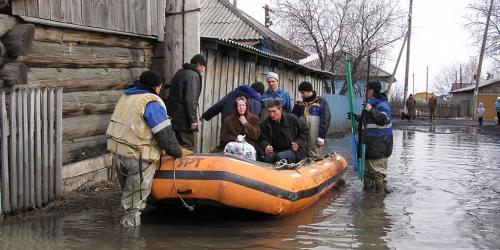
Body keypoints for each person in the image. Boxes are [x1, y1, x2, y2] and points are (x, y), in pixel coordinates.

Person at [106, 70, 192, 227]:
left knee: (129, 197)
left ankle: (129, 229)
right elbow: (164, 133)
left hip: (119, 154)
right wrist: (177, 152)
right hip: (138, 158)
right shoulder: (151, 102)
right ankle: (131, 241)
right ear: (156, 87)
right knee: (134, 206)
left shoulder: (126, 97)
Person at [349, 81, 393, 194]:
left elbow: (383, 120)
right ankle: (368, 201)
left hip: (379, 146)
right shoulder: (371, 104)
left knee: (377, 173)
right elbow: (369, 121)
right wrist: (357, 118)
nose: (365, 92)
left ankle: (379, 202)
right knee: (367, 174)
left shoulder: (382, 105)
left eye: (366, 89)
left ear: (372, 91)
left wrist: (371, 110)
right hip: (369, 145)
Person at [162, 54, 206, 151]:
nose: (203, 70)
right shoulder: (193, 75)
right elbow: (190, 100)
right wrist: (193, 120)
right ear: (198, 65)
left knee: (176, 147)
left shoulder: (180, 72)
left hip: (173, 116)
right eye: (203, 67)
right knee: (188, 147)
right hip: (184, 119)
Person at [260, 100, 309, 164]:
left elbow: (305, 131)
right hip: (275, 150)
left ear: (280, 110)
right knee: (268, 158)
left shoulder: (292, 119)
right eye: (269, 112)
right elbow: (263, 139)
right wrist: (266, 146)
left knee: (280, 156)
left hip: (292, 150)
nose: (271, 114)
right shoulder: (265, 123)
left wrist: (298, 143)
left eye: (274, 111)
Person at [292, 81, 331, 159]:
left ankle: (315, 162)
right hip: (303, 131)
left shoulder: (321, 101)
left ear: (309, 91)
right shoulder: (301, 103)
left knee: (314, 149)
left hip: (315, 131)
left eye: (303, 93)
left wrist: (321, 136)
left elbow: (325, 119)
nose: (301, 95)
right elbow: (293, 117)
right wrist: (297, 105)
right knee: (302, 148)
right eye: (300, 93)